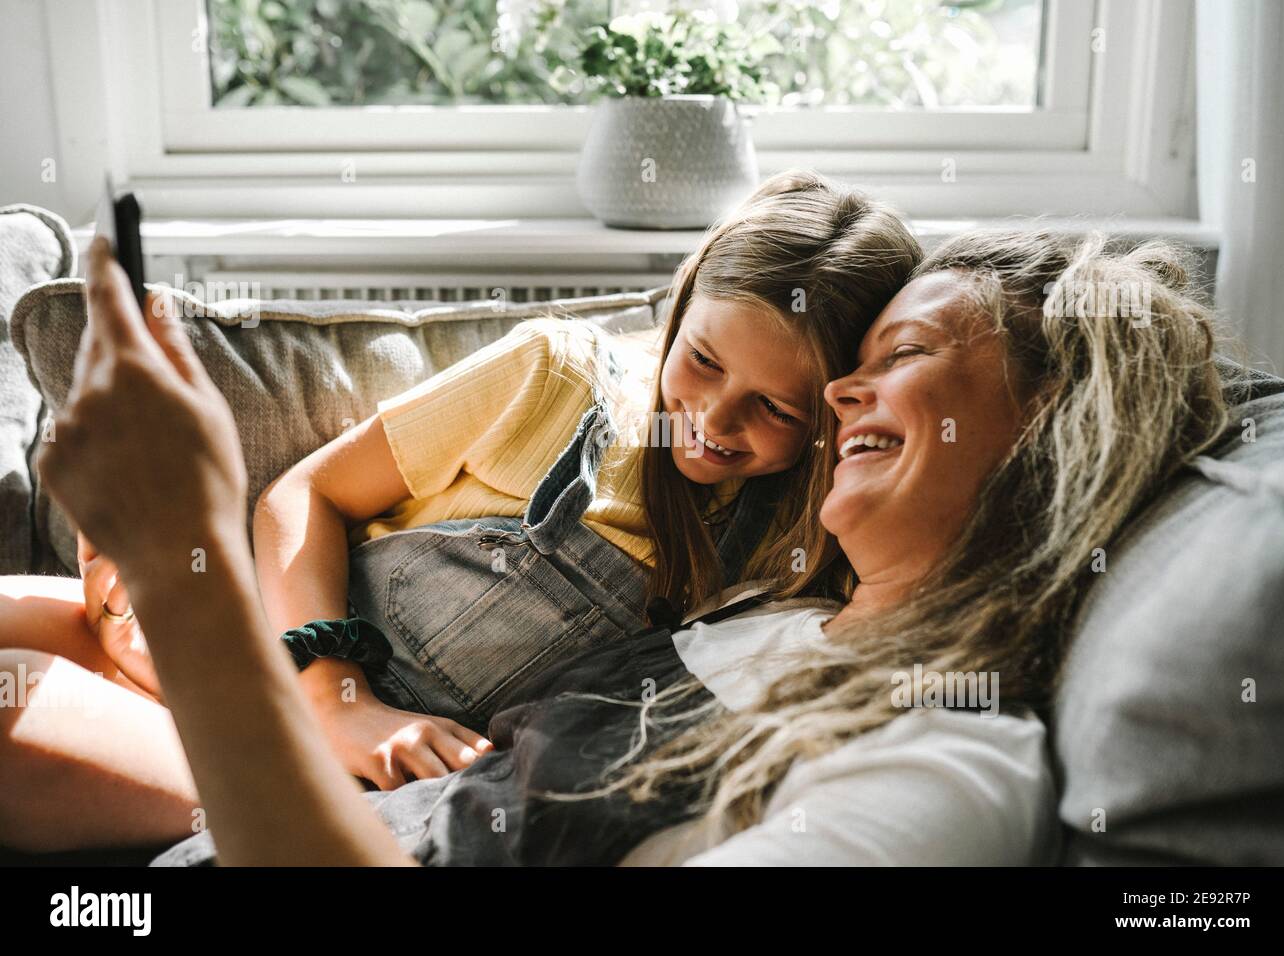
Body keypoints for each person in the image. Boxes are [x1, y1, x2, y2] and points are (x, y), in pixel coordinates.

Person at [12, 223, 1233, 865]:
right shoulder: (774, 610)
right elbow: (315, 507)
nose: (842, 408)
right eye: (854, 381)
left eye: (892, 369)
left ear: (1059, 435)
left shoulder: (944, 754)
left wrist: (191, 570)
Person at [0, 171, 922, 851]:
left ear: (836, 414)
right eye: (705, 361)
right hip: (274, 651)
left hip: (298, 767)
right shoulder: (559, 378)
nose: (712, 422)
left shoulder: (803, 542)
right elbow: (304, 493)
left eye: (774, 409)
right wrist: (334, 693)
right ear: (682, 309)